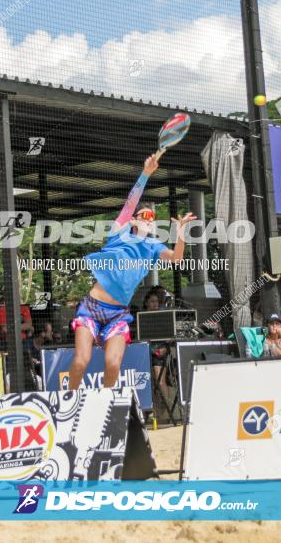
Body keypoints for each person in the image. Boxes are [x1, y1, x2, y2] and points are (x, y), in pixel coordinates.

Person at [67, 153, 194, 390]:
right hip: (93, 308)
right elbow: (130, 203)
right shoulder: (118, 234)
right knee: (81, 360)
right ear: (133, 221)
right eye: (144, 216)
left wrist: (181, 232)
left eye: (152, 218)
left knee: (113, 364)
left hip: (117, 313)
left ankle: (105, 403)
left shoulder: (153, 246)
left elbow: (177, 259)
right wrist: (146, 173)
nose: (149, 219)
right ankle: (66, 402)